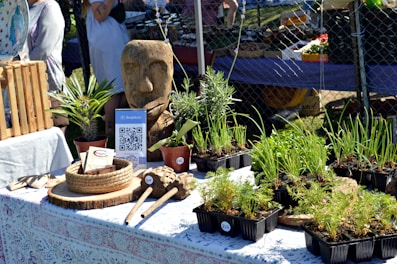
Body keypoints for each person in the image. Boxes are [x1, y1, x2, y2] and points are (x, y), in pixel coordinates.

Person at [121, 40, 175, 162]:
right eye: (131, 71)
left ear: (172, 72)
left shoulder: (174, 127)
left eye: (158, 70)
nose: (145, 87)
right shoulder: (127, 124)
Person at [82, 0, 130, 135]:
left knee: (121, 86)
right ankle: (110, 130)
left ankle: (116, 128)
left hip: (110, 36)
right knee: (114, 87)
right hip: (107, 39)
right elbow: (99, 14)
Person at [25, 0, 69, 130]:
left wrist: (16, 67)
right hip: (24, 86)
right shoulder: (21, 8)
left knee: (54, 137)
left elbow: (42, 50)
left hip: (48, 86)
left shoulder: (50, 8)